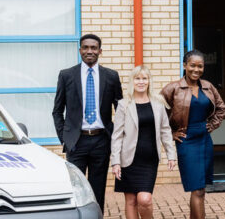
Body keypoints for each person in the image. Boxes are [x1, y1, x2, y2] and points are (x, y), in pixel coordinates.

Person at [52, 34, 122, 212]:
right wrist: (65, 138)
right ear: (80, 50)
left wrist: (115, 137)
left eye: (93, 48)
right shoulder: (67, 75)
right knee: (76, 189)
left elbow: (120, 110)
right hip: (76, 141)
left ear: (100, 51)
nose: (89, 51)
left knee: (98, 189)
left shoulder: (111, 76)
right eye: (85, 47)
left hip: (101, 140)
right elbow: (57, 111)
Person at [161, 50, 225, 219]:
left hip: (205, 140)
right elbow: (157, 114)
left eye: (200, 66)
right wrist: (171, 133)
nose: (196, 69)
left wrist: (212, 125)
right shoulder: (173, 88)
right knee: (196, 188)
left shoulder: (208, 87)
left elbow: (221, 108)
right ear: (184, 65)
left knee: (201, 189)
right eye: (192, 65)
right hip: (186, 141)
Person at [110, 65, 177, 219]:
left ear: (149, 81)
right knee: (131, 200)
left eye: (144, 78)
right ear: (132, 81)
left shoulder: (158, 103)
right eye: (137, 78)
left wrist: (171, 155)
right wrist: (115, 162)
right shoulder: (124, 104)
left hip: (149, 160)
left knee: (144, 199)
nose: (141, 82)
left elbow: (165, 130)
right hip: (128, 160)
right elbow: (117, 135)